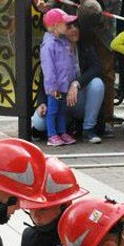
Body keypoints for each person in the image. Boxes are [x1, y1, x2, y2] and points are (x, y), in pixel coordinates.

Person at [32, 21, 106, 144]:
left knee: (97, 84)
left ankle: (88, 130)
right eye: (69, 27)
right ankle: (57, 132)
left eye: (76, 26)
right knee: (39, 123)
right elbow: (45, 77)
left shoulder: (84, 45)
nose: (73, 30)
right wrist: (42, 103)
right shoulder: (53, 46)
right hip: (58, 97)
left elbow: (96, 68)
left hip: (77, 99)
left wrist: (76, 83)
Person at [41, 8, 79, 146]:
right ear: (56, 26)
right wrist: (52, 86)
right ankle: (52, 135)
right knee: (53, 110)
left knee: (62, 110)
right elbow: (48, 68)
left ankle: (62, 132)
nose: (68, 26)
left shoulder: (63, 42)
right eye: (66, 24)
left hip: (64, 85)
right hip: (55, 87)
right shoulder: (49, 45)